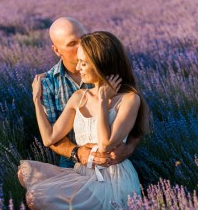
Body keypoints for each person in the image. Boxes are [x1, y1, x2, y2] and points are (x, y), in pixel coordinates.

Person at [18, 31, 149, 210]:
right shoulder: (79, 96)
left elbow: (106, 144)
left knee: (36, 197)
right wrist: (36, 100)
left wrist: (102, 104)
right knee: (25, 173)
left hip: (111, 181)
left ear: (101, 63)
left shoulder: (128, 99)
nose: (78, 68)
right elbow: (48, 138)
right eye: (78, 62)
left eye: (83, 63)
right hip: (84, 172)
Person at [39, 17, 140, 168]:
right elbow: (51, 139)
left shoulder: (116, 82)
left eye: (84, 38)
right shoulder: (48, 83)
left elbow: (137, 123)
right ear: (57, 50)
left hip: (115, 164)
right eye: (73, 43)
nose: (83, 45)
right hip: (73, 162)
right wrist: (78, 153)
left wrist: (129, 147)